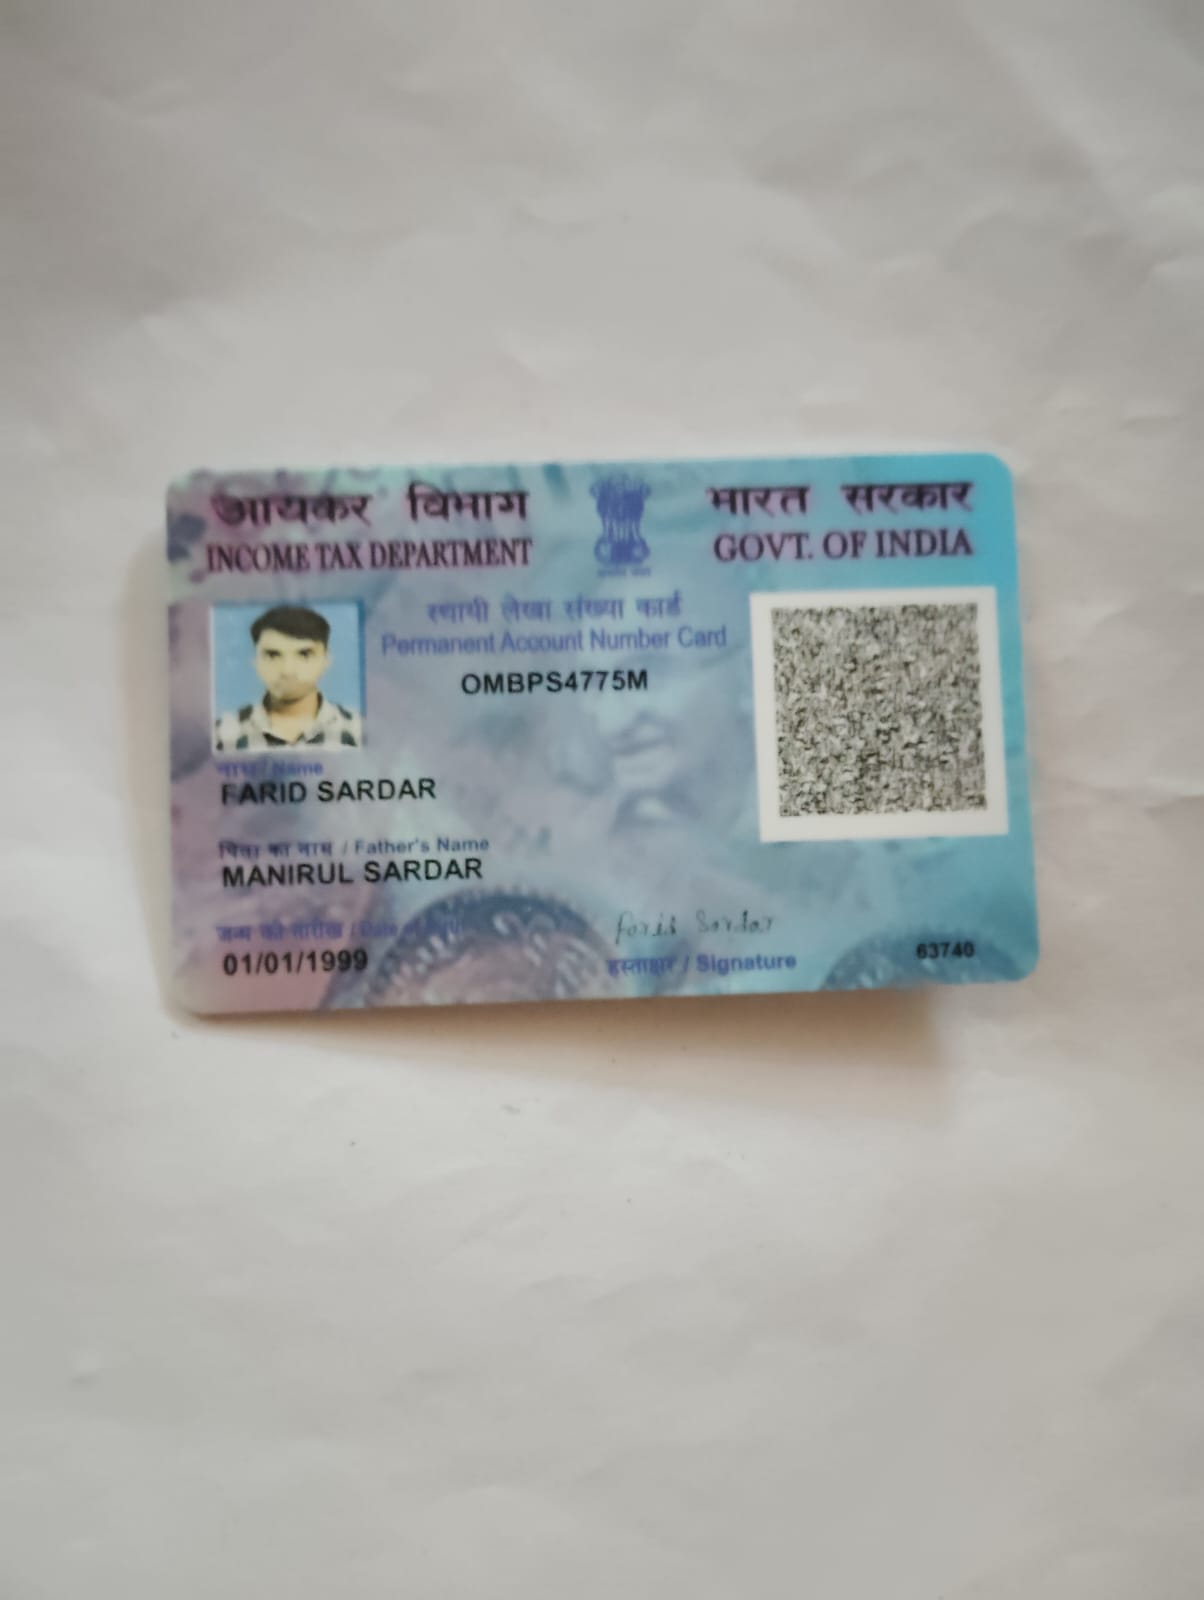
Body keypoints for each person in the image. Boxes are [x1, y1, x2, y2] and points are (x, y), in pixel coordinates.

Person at [214, 605, 362, 750]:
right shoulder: (220, 735)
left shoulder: (359, 731)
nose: (287, 670)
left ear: (326, 660)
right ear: (255, 662)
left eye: (304, 654)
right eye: (272, 655)